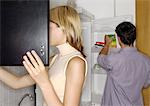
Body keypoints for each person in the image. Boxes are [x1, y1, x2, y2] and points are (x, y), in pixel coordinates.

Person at [0, 5, 87, 106]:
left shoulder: (76, 62)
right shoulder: (53, 59)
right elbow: (16, 83)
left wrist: (44, 82)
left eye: (49, 27)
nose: (45, 32)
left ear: (64, 27)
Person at [97, 22, 150, 106]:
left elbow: (100, 59)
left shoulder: (113, 58)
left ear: (119, 39)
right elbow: (146, 84)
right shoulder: (146, 60)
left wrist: (107, 44)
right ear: (134, 37)